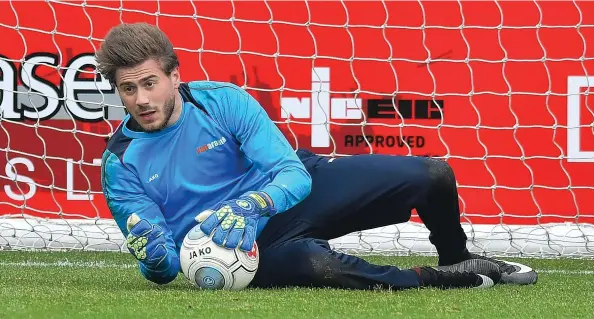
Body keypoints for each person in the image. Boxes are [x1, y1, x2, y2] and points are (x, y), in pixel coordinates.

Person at [97, 22, 537, 290]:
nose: (141, 99)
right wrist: (154, 261)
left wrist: (252, 204)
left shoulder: (220, 102)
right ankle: (436, 280)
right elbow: (164, 268)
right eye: (128, 88)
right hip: (240, 247)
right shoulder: (120, 165)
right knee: (315, 264)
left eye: (150, 82)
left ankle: (456, 258)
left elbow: (290, 174)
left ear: (174, 75)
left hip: (281, 198)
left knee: (432, 174)